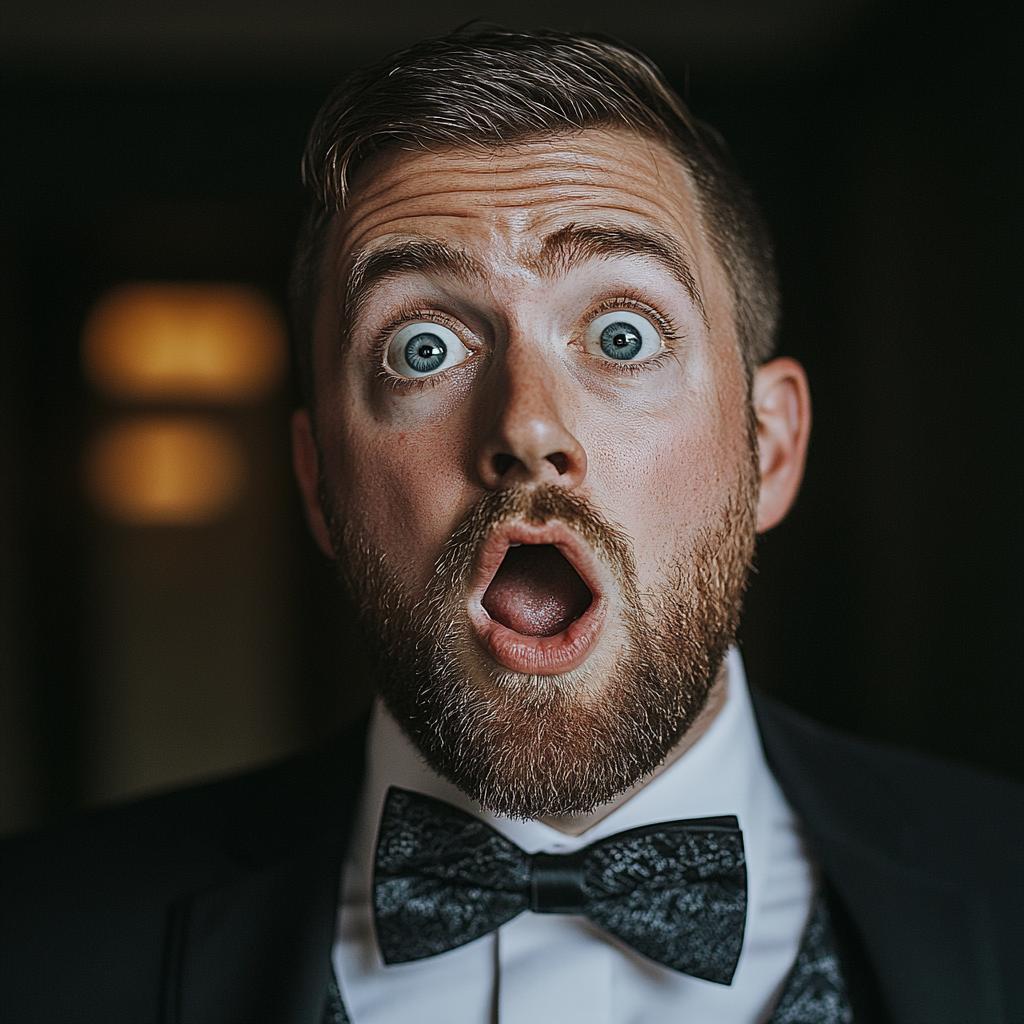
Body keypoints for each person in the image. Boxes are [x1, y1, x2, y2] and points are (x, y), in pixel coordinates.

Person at [1, 27, 1021, 1024]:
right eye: (422, 348)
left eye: (622, 334)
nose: (528, 426)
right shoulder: (34, 942)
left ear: (770, 448)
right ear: (318, 483)